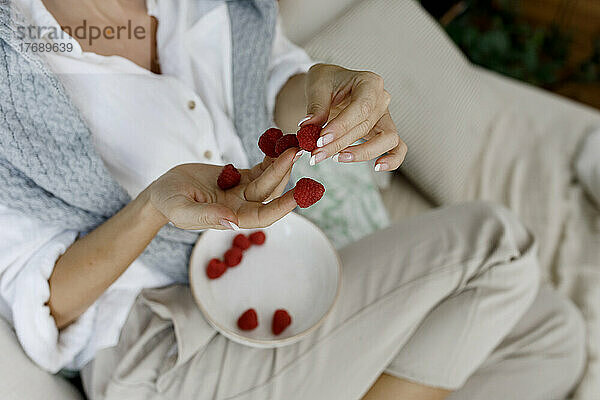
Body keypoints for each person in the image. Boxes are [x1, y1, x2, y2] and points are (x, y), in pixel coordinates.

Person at [0, 0, 586, 399]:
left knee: (551, 335)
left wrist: (323, 94)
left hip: (270, 280)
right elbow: (42, 298)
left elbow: (272, 86)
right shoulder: (14, 61)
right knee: (498, 249)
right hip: (164, 350)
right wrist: (153, 205)